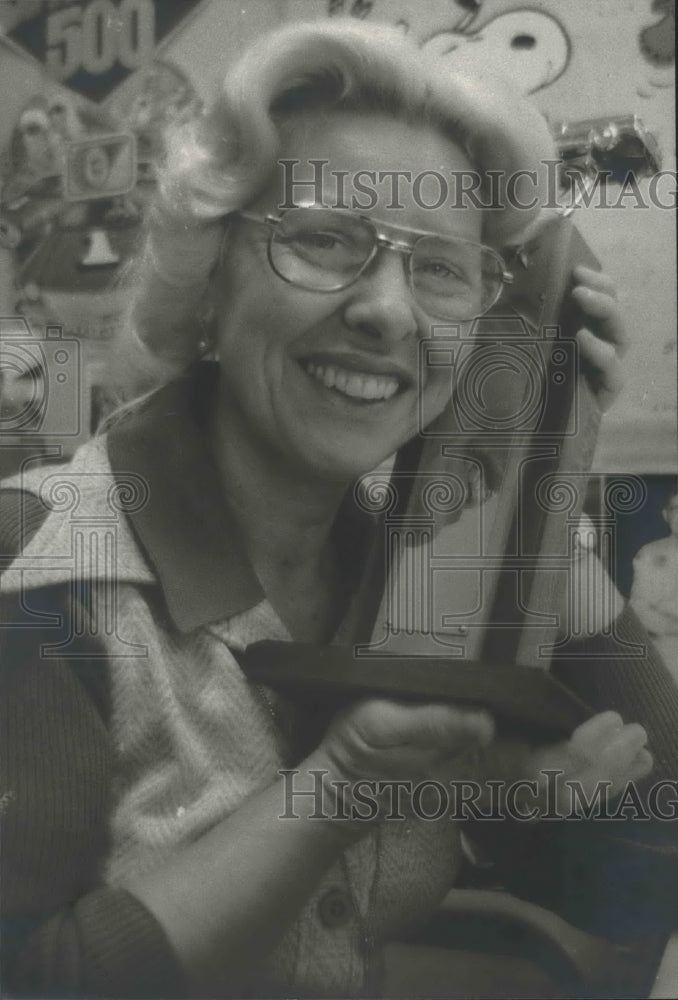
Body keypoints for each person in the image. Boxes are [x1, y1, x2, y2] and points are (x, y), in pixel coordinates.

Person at [1, 20, 676, 1000]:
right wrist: (346, 784)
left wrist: (542, 463)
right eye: (324, 240)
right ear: (209, 281)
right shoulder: (44, 564)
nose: (389, 312)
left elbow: (648, 876)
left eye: (442, 269)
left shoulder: (405, 558)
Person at [630, 487, 678, 682]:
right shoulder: (650, 554)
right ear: (666, 514)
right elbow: (638, 607)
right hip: (666, 648)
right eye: (676, 509)